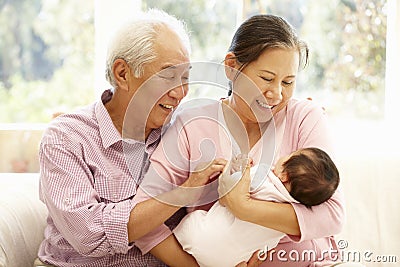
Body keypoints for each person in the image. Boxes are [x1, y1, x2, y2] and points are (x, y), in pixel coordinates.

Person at [130, 13, 346, 267]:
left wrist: (242, 206)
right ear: (231, 67)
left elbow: (332, 215)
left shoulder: (304, 118)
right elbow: (143, 225)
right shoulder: (192, 125)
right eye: (266, 78)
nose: (276, 94)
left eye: (288, 82)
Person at [35, 9, 226, 267]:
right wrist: (182, 194)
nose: (180, 92)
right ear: (122, 73)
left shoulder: (183, 132)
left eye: (186, 77)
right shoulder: (66, 138)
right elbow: (90, 235)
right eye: (169, 76)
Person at [173, 147, 340, 267]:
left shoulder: (262, 176)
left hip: (199, 237)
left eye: (289, 156)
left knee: (192, 220)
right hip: (232, 262)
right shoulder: (289, 217)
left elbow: (227, 198)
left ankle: (176, 235)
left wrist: (239, 168)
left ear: (284, 175)